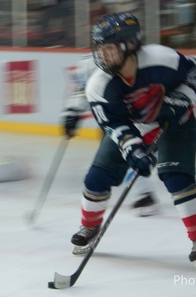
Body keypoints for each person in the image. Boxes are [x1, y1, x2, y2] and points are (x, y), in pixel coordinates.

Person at [70, 12, 196, 272]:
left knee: (177, 179)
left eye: (109, 48)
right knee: (97, 178)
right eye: (100, 49)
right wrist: (134, 151)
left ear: (130, 44)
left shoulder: (161, 58)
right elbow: (114, 125)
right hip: (133, 125)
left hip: (175, 122)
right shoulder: (99, 85)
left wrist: (184, 99)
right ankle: (89, 227)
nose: (102, 55)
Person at [62, 54, 159, 217]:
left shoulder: (135, 57)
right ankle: (143, 194)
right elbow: (82, 90)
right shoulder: (88, 63)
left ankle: (178, 190)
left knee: (155, 153)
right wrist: (73, 113)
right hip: (112, 121)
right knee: (125, 156)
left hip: (141, 117)